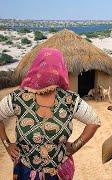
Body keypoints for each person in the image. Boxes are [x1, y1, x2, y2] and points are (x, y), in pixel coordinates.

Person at [0, 48, 101, 179]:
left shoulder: (69, 99)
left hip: (58, 173)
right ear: (37, 68)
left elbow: (94, 121)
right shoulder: (18, 98)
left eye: (53, 68)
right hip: (25, 172)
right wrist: (7, 144)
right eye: (45, 67)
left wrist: (76, 145)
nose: (49, 72)